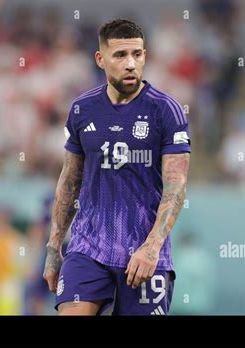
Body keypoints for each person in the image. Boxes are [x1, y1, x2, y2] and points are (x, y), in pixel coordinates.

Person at [43, 18, 191, 315]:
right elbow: (70, 180)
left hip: (145, 254)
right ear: (100, 59)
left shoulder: (166, 110)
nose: (130, 64)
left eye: (137, 54)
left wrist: (152, 247)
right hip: (88, 249)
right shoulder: (82, 109)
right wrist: (54, 246)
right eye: (120, 55)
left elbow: (176, 187)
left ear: (145, 56)